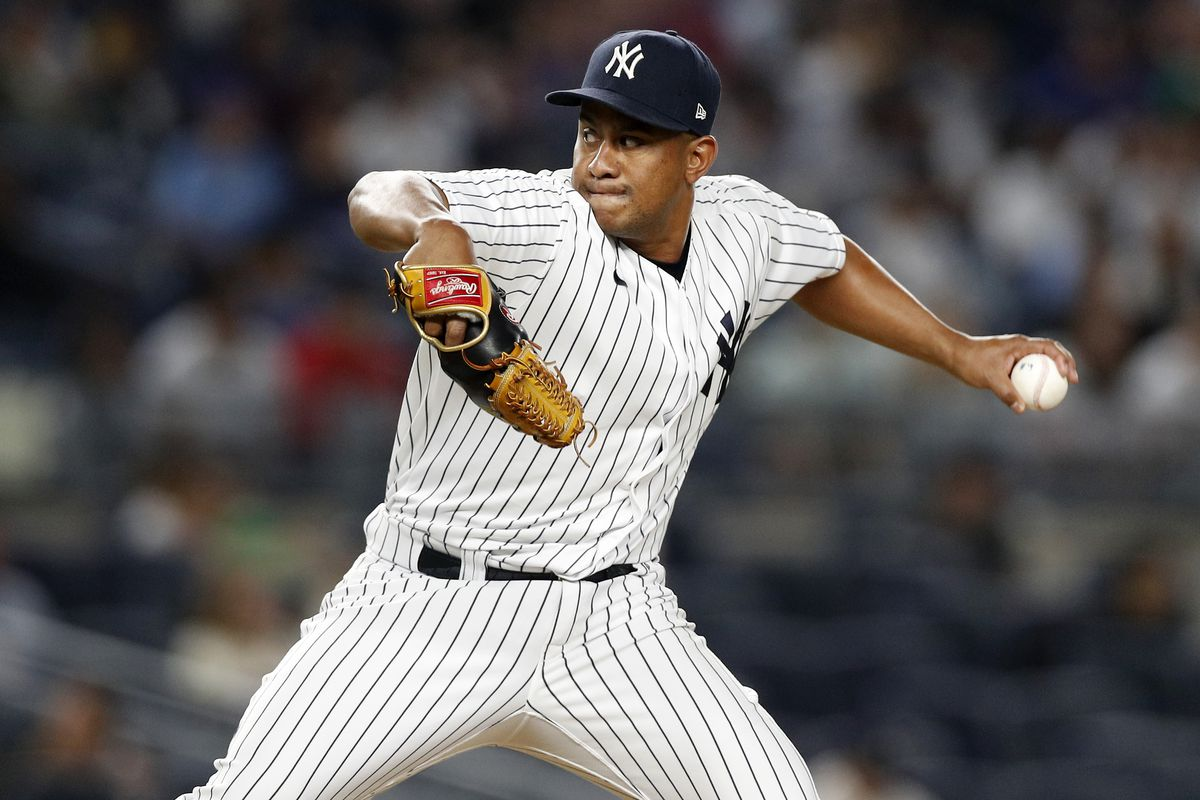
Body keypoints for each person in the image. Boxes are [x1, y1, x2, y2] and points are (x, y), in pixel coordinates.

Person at [179, 29, 1078, 800]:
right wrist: (435, 231)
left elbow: (826, 258)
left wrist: (962, 350)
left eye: (634, 139)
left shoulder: (745, 229)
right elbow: (377, 191)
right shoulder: (542, 217)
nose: (600, 159)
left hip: (615, 624)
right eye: (590, 130)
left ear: (698, 158)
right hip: (423, 610)